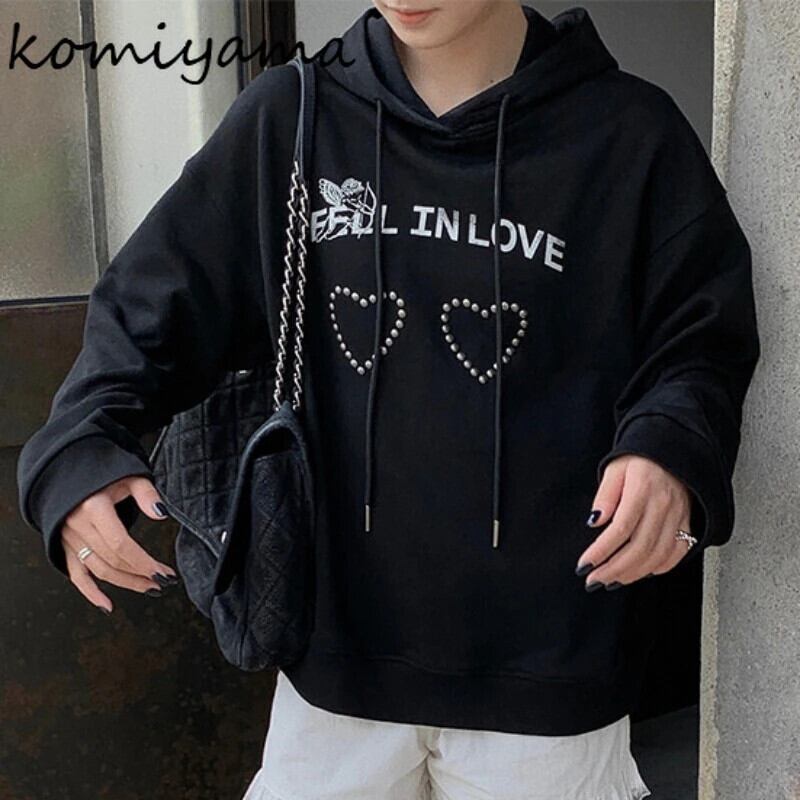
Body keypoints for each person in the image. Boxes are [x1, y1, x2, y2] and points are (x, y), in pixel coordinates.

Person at [17, 1, 760, 798]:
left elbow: (700, 336)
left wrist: (667, 449)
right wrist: (81, 446)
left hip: (550, 679)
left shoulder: (628, 136)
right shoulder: (292, 118)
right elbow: (149, 306)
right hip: (333, 677)